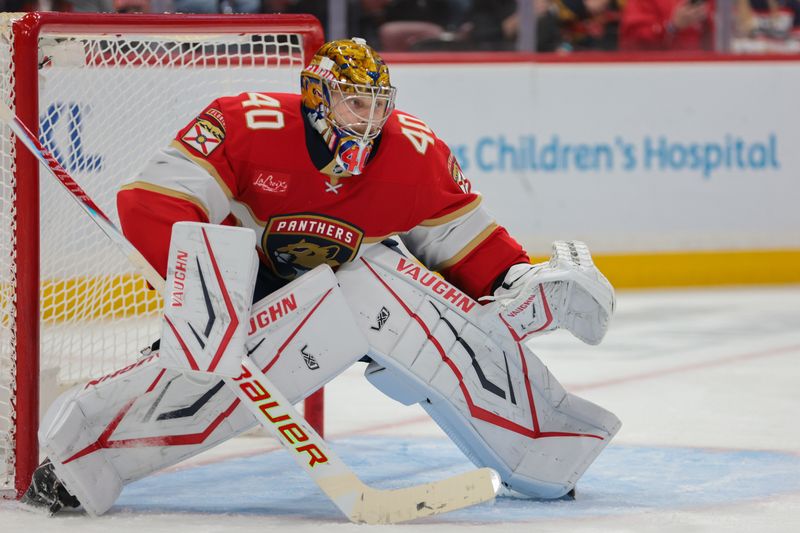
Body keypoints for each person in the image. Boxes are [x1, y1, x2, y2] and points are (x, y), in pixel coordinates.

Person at [21, 38, 618, 516]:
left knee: (434, 314)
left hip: (354, 288)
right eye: (356, 102)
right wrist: (203, 290)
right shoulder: (245, 124)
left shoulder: (415, 153)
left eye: (378, 103)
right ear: (316, 96)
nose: (372, 117)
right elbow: (155, 200)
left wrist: (513, 281)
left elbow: (464, 239)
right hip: (242, 292)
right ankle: (80, 461)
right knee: (202, 375)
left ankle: (547, 452)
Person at [619, 0, 713, 50]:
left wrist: (709, 20)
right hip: (655, 71)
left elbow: (718, 42)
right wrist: (671, 26)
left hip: (699, 68)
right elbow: (633, 39)